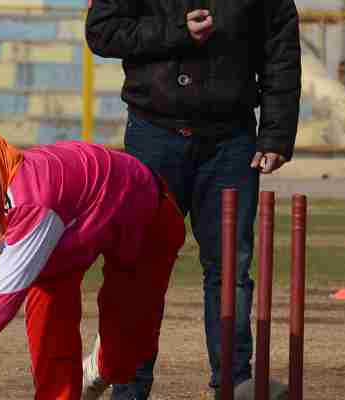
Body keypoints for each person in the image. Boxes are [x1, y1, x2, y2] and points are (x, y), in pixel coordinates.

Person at [86, 0, 302, 399]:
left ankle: (233, 385)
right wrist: (176, 31)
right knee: (139, 268)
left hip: (231, 140)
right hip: (154, 133)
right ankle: (129, 387)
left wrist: (276, 133)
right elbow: (102, 32)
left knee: (230, 269)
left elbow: (280, 49)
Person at [0, 116, 186, 400]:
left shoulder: (31, 203)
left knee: (121, 361)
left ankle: (96, 369)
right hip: (70, 227)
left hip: (142, 215)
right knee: (49, 333)